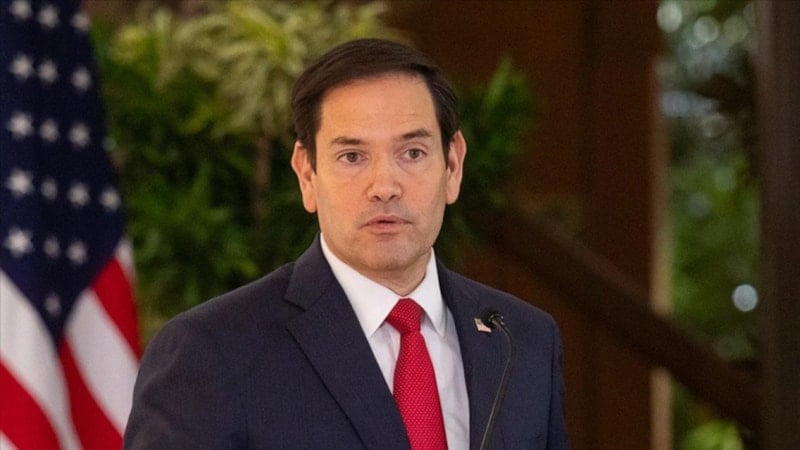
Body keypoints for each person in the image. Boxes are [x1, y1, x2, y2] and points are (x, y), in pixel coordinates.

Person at [124, 38, 569, 450]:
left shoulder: (523, 339)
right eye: (352, 157)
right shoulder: (212, 350)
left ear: (452, 166)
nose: (385, 186)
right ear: (307, 174)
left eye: (412, 153)